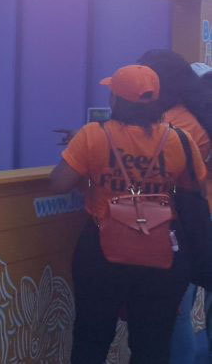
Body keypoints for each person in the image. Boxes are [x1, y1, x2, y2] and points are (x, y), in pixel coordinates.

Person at [50, 64, 206, 363]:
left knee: (91, 338)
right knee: (152, 344)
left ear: (115, 101)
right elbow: (194, 190)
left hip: (101, 253)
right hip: (161, 255)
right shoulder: (181, 141)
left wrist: (91, 173)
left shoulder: (93, 136)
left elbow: (59, 183)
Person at [138, 50, 212, 363]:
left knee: (177, 312)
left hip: (184, 226)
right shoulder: (196, 115)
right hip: (200, 220)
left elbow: (146, 171)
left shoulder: (173, 124)